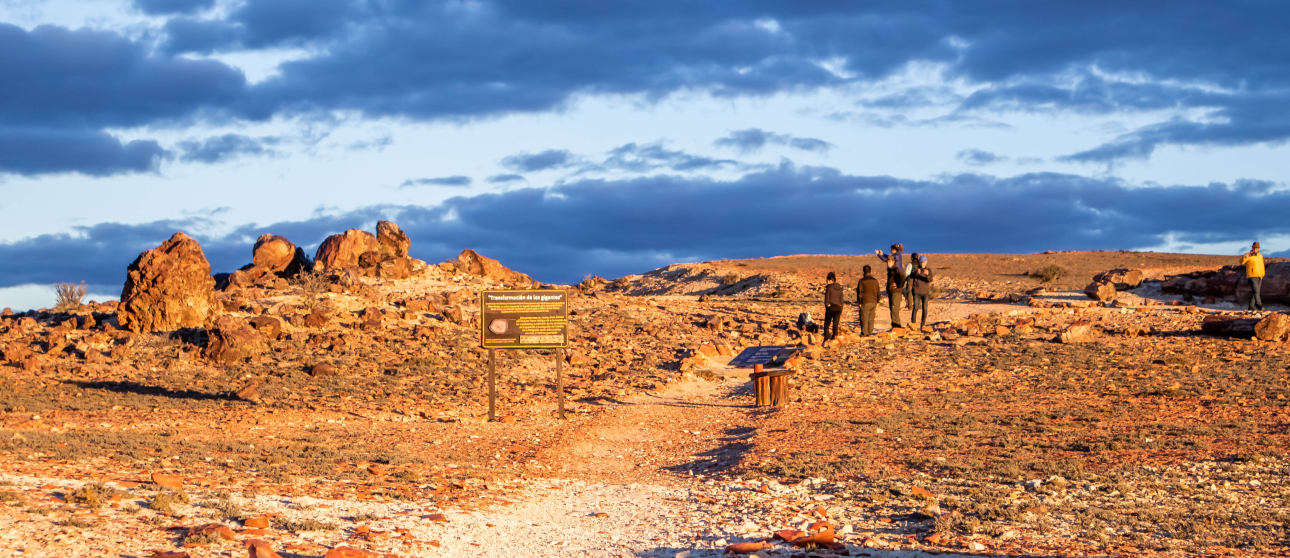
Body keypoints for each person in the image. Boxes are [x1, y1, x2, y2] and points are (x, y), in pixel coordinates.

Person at [909, 255, 934, 328]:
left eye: (924, 262)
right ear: (919, 262)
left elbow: (931, 280)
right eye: (921, 262)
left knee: (925, 308)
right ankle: (913, 323)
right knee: (916, 307)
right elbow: (911, 277)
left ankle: (923, 324)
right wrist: (916, 273)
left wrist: (927, 275)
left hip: (925, 292)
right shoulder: (915, 269)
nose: (922, 263)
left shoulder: (928, 270)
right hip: (917, 291)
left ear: (926, 262)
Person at [855, 264, 881, 336]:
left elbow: (859, 292)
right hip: (873, 302)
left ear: (863, 272)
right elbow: (878, 292)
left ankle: (864, 333)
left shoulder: (862, 281)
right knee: (871, 318)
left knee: (864, 318)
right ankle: (870, 332)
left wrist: (859, 302)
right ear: (870, 271)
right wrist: (877, 301)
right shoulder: (875, 281)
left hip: (865, 302)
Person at [1242, 242, 1266, 311]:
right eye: (1254, 248)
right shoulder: (1248, 255)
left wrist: (1262, 274)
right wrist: (1246, 256)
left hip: (1260, 275)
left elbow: (1262, 265)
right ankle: (1259, 305)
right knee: (1256, 291)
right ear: (1252, 248)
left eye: (1257, 248)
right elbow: (1242, 262)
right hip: (1252, 275)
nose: (1255, 249)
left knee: (1255, 291)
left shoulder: (1260, 256)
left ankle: (1251, 307)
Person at [885, 256, 906, 329]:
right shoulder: (890, 270)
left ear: (893, 261)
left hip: (896, 292)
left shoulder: (896, 269)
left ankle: (897, 326)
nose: (889, 262)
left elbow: (903, 277)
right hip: (891, 291)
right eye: (888, 261)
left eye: (890, 261)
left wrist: (899, 285)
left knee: (895, 309)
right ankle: (894, 325)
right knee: (892, 309)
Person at [823, 272, 844, 341]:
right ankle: (835, 338)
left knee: (827, 324)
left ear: (829, 280)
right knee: (835, 324)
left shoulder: (829, 287)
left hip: (831, 307)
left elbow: (827, 298)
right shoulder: (840, 287)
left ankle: (826, 339)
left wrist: (827, 306)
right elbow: (841, 299)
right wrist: (841, 307)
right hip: (838, 307)